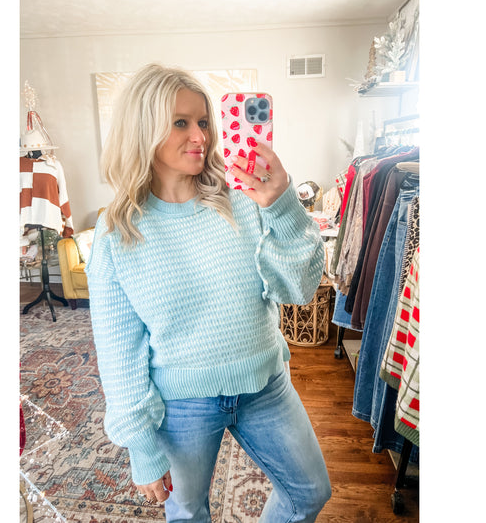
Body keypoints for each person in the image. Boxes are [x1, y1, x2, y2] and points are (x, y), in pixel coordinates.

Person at [86, 63, 331, 523]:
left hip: (265, 385)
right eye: (180, 122)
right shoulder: (117, 233)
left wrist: (282, 205)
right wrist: (141, 447)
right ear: (143, 130)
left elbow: (300, 289)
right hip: (181, 405)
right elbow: (119, 350)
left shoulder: (244, 196)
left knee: (310, 492)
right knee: (187, 514)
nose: (200, 135)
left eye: (203, 121)